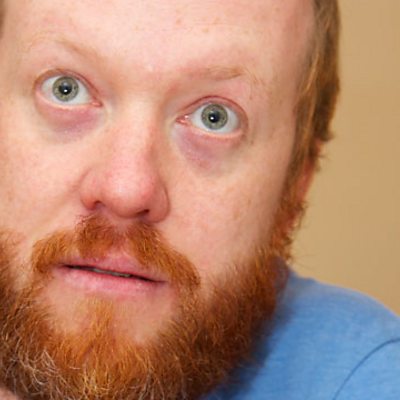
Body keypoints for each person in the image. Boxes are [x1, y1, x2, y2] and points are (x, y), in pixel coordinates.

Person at [0, 0, 398, 399]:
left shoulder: (361, 378)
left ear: (296, 185)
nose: (127, 191)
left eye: (215, 117)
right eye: (64, 89)